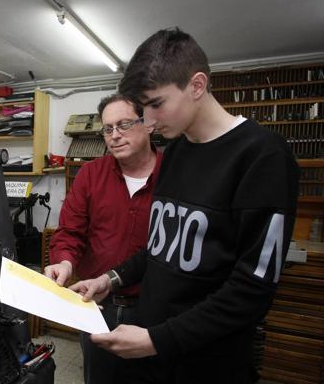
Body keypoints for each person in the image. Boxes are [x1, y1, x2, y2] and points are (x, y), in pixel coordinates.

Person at [70, 28, 299, 384]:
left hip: (206, 364)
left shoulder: (262, 156)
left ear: (196, 85)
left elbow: (252, 289)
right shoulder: (175, 151)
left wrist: (158, 339)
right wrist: (110, 279)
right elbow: (160, 248)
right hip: (151, 355)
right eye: (142, 110)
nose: (148, 121)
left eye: (156, 104)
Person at [44, 93, 162, 384]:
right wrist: (64, 263)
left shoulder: (175, 174)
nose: (114, 136)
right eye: (108, 129)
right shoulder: (90, 175)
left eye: (123, 125)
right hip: (97, 308)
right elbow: (70, 232)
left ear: (147, 124)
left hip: (156, 310)